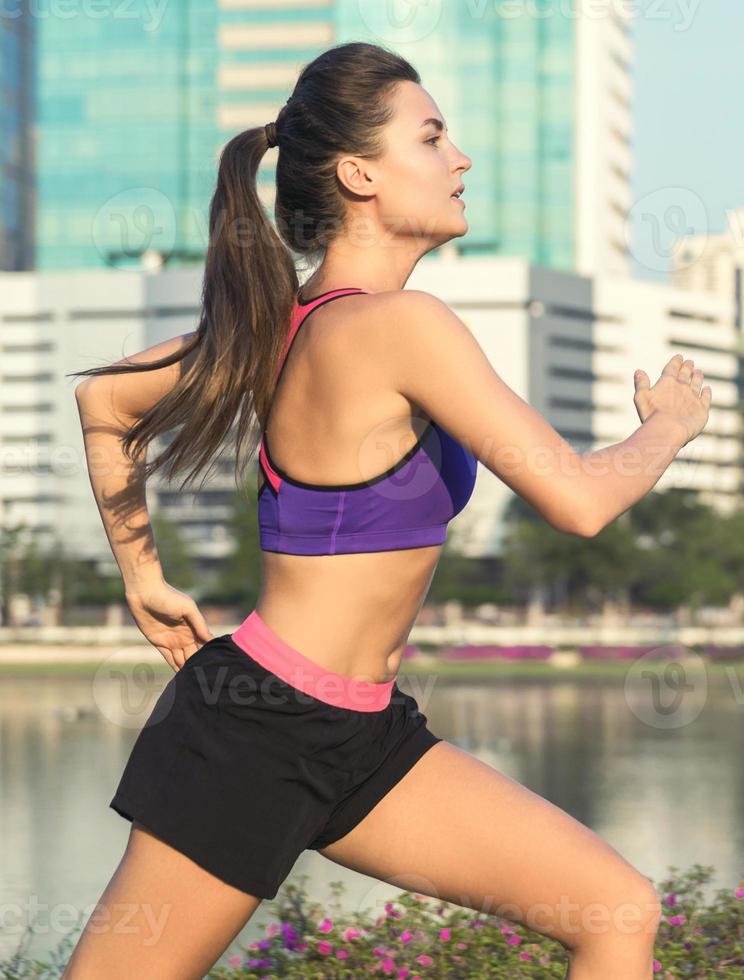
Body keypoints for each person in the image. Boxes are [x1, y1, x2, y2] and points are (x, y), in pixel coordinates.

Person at [63, 41, 709, 980]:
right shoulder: (402, 325)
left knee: (616, 910)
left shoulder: (276, 324)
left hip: (363, 737)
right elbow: (580, 501)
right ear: (361, 173)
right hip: (258, 732)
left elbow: (105, 406)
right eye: (434, 137)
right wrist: (670, 426)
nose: (462, 161)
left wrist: (144, 580)